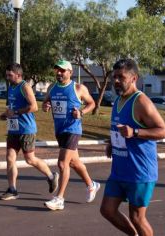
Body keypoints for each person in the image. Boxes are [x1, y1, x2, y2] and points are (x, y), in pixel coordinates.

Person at [100, 59, 165, 236]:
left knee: (137, 217)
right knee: (107, 210)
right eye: (114, 77)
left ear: (133, 78)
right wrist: (111, 142)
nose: (116, 81)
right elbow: (120, 128)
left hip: (140, 171)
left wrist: (135, 132)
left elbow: (164, 131)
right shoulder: (119, 100)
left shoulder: (141, 102)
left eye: (120, 77)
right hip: (120, 169)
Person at [42, 59, 100, 211]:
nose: (59, 73)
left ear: (70, 72)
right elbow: (45, 103)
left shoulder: (78, 88)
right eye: (57, 70)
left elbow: (92, 103)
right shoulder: (52, 87)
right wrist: (45, 106)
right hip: (59, 130)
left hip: (73, 129)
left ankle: (59, 199)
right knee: (74, 163)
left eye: (62, 70)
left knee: (62, 163)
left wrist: (81, 112)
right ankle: (91, 185)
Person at [0, 63, 59, 200]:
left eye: (10, 75)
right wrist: (5, 114)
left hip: (26, 129)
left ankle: (51, 176)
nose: (7, 77)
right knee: (10, 158)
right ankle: (12, 189)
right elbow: (12, 107)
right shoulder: (11, 88)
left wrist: (16, 112)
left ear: (18, 75)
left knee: (30, 159)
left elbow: (34, 107)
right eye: (7, 74)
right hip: (13, 128)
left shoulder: (24, 87)